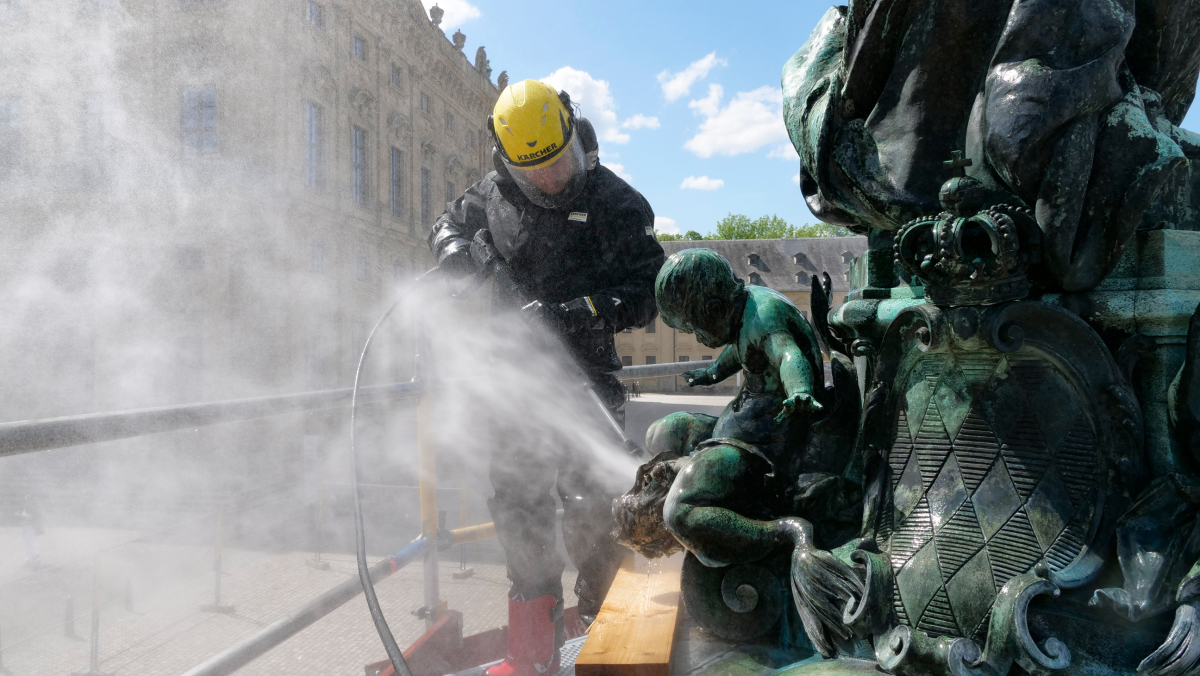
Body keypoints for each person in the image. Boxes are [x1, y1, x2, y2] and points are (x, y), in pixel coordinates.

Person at [428, 79, 664, 676]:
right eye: (537, 173)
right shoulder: (492, 194)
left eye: (561, 163)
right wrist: (453, 248)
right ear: (508, 160)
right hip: (513, 384)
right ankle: (532, 648)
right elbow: (445, 223)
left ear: (573, 135)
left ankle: (601, 634)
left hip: (585, 373)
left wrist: (577, 311)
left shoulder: (617, 204)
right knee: (519, 505)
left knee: (597, 509)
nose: (554, 180)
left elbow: (649, 294)